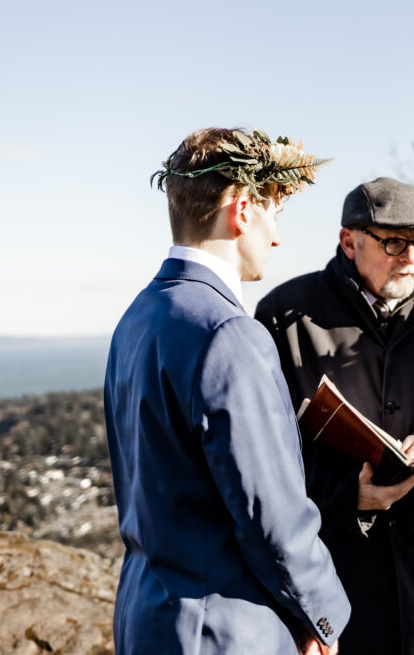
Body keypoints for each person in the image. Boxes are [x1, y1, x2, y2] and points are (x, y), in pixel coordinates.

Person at [103, 128, 350, 654]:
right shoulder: (229, 333)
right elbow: (273, 515)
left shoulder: (136, 319)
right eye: (274, 216)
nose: (277, 238)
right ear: (242, 211)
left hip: (144, 618)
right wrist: (324, 617)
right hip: (223, 631)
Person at [254, 177, 414, 655]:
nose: (410, 258)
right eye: (394, 243)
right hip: (334, 559)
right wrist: (348, 495)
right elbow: (262, 448)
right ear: (349, 242)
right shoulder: (285, 315)